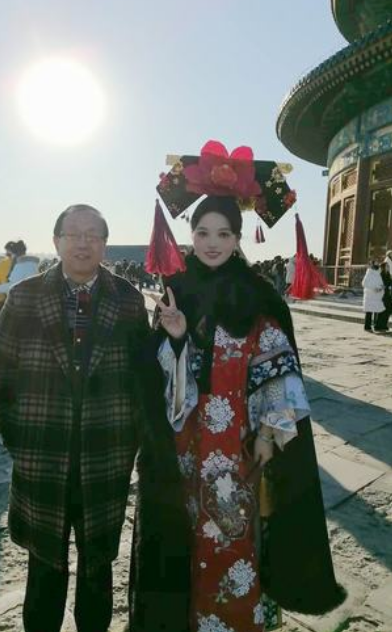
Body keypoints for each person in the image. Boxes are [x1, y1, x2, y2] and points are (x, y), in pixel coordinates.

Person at [130, 196, 344, 632]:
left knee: (236, 532)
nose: (212, 243)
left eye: (223, 233)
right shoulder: (176, 290)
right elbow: (157, 377)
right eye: (203, 233)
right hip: (183, 442)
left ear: (237, 238)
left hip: (238, 442)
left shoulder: (257, 293)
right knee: (185, 531)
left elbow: (277, 370)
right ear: (191, 236)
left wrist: (267, 433)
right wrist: (176, 338)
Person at [0, 204, 150, 632]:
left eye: (93, 234)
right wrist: (11, 429)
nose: (83, 243)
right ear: (56, 241)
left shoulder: (128, 300)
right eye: (73, 234)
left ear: (105, 244)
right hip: (41, 451)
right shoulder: (26, 296)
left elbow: (144, 375)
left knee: (98, 567)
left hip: (106, 453)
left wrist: (131, 435)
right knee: (43, 567)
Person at [362, 260, 385, 332]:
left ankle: (376, 326)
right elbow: (364, 283)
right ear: (372, 265)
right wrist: (373, 288)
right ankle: (367, 327)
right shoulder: (369, 273)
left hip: (377, 297)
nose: (377, 264)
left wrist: (381, 288)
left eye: (378, 263)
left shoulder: (378, 273)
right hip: (370, 296)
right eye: (376, 263)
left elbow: (381, 283)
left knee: (377, 311)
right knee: (369, 312)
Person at [373, 261, 391, 333]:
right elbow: (379, 285)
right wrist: (386, 287)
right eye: (387, 266)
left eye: (388, 266)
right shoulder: (381, 275)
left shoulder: (388, 274)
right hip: (382, 296)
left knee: (388, 311)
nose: (388, 267)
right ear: (383, 267)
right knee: (381, 311)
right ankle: (377, 326)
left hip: (388, 295)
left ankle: (384, 325)